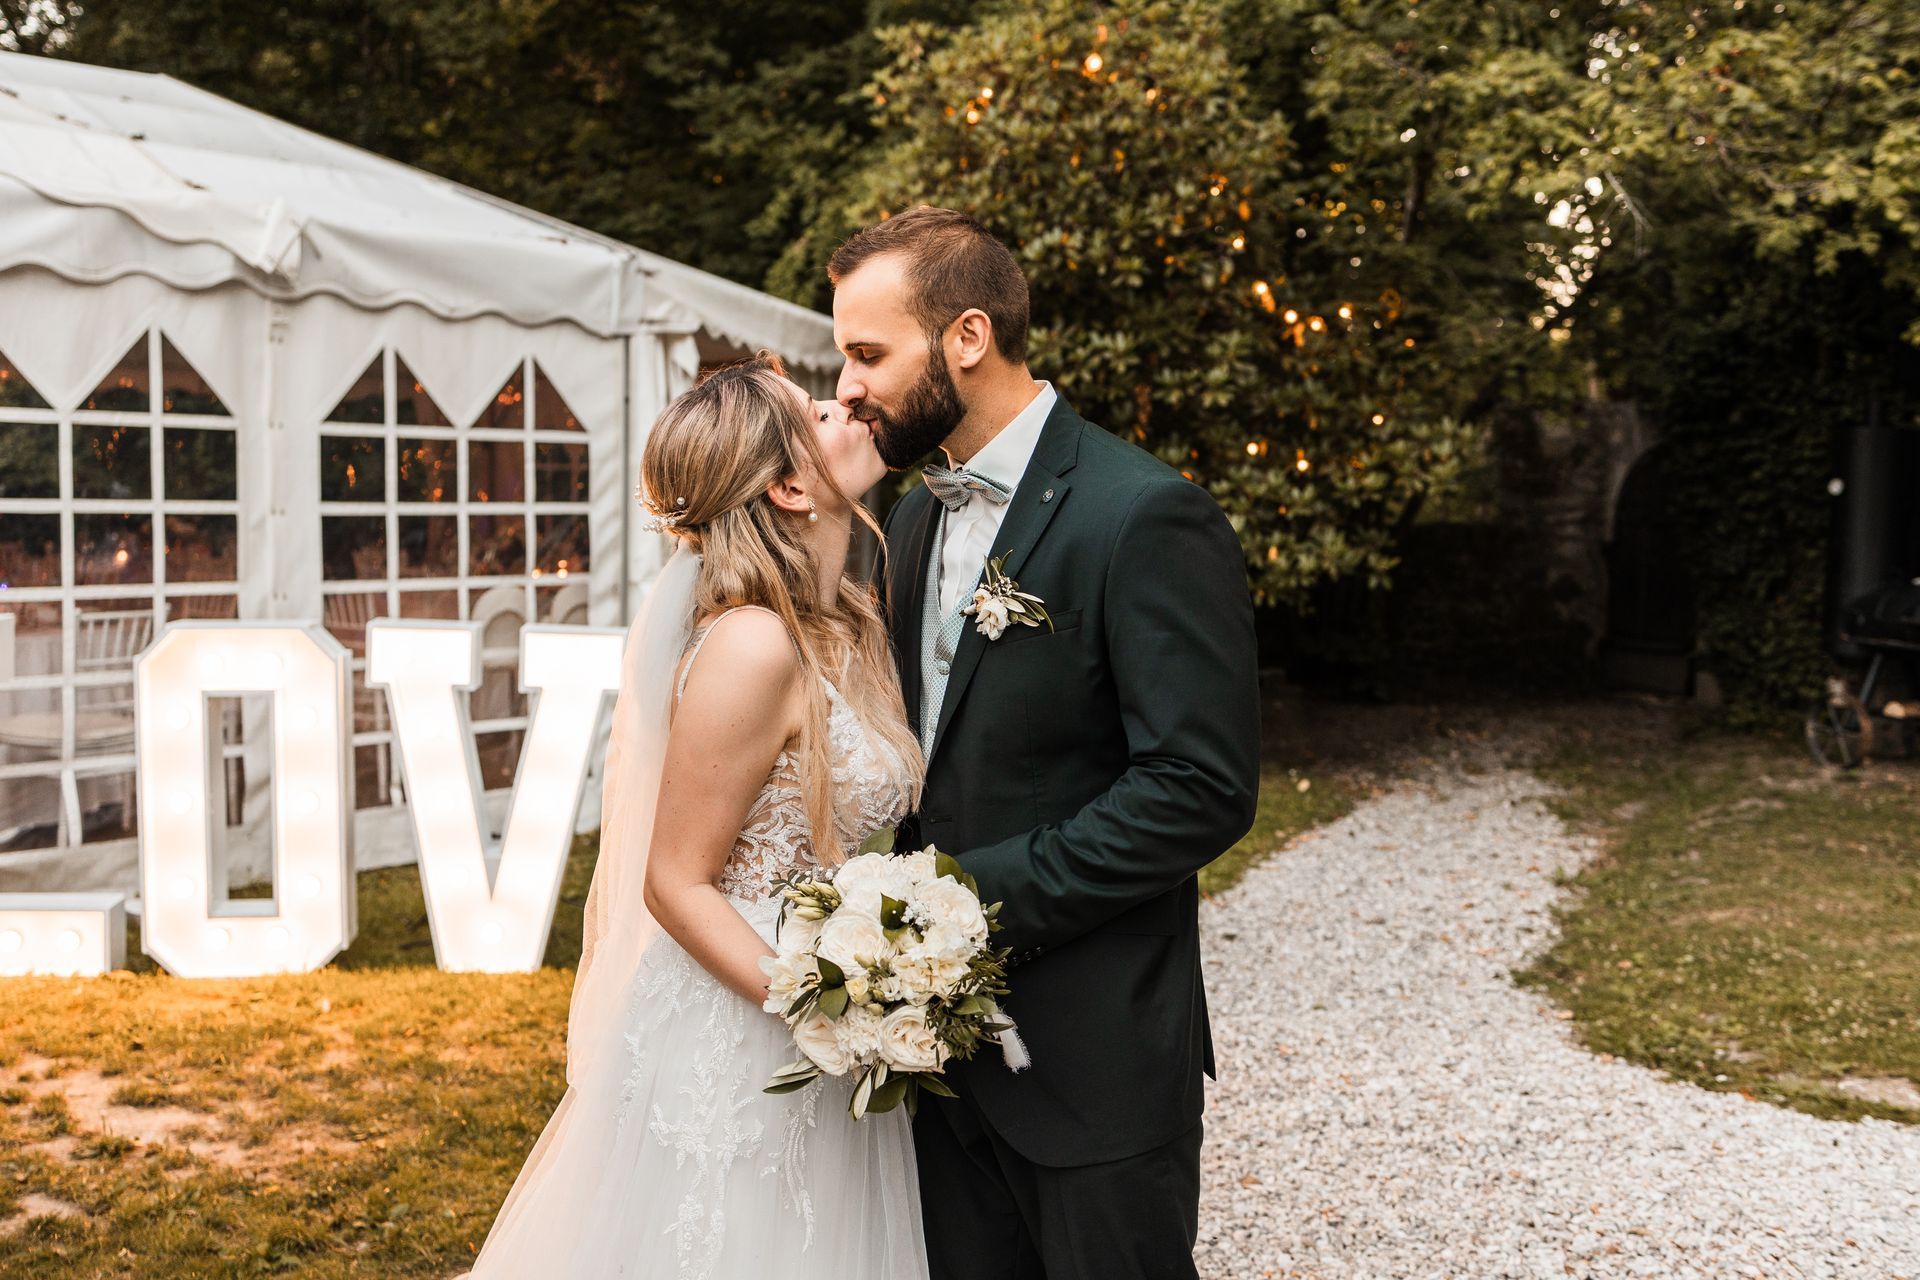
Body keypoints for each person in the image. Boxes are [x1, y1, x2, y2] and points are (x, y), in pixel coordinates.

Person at [830, 206, 1262, 1280]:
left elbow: (1198, 786)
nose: (848, 386)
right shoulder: (914, 518)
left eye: (869, 354)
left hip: (1092, 1060)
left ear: (966, 338)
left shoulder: (1144, 514)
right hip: (934, 1061)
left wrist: (964, 903)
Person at [467, 354, 931, 1280]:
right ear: (790, 487)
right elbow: (675, 881)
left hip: (828, 1002)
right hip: (745, 1032)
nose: (845, 402)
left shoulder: (849, 621)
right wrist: (827, 1005)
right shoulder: (752, 645)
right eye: (817, 413)